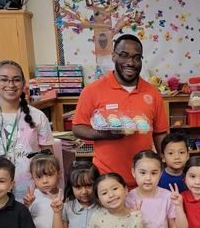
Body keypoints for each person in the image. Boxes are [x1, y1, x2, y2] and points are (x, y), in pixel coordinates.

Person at [72, 34, 169, 188]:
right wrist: (103, 134)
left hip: (144, 181)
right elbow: (77, 128)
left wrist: (165, 164)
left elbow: (160, 133)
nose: (131, 62)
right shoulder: (92, 91)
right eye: (124, 56)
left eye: (137, 57)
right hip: (107, 180)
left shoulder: (153, 93)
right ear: (113, 56)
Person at [0, 60, 54, 201]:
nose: (10, 85)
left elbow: (48, 157)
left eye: (16, 80)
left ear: (23, 83)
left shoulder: (38, 116)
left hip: (28, 191)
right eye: (4, 79)